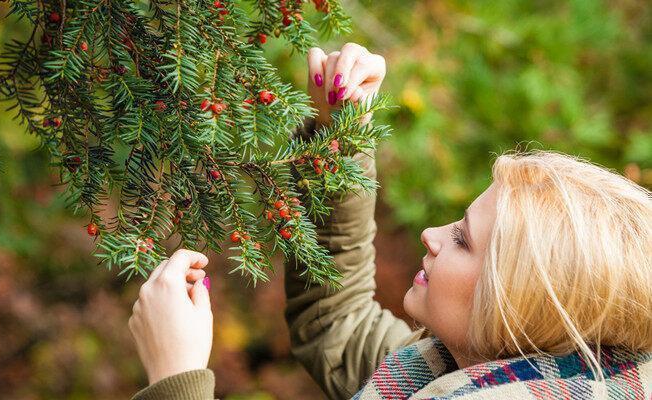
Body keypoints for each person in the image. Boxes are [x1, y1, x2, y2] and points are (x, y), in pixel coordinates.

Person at [128, 43, 652, 399]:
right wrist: (342, 138)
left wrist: (176, 375)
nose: (432, 234)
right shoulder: (460, 367)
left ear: (516, 306)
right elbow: (338, 325)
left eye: (464, 240)